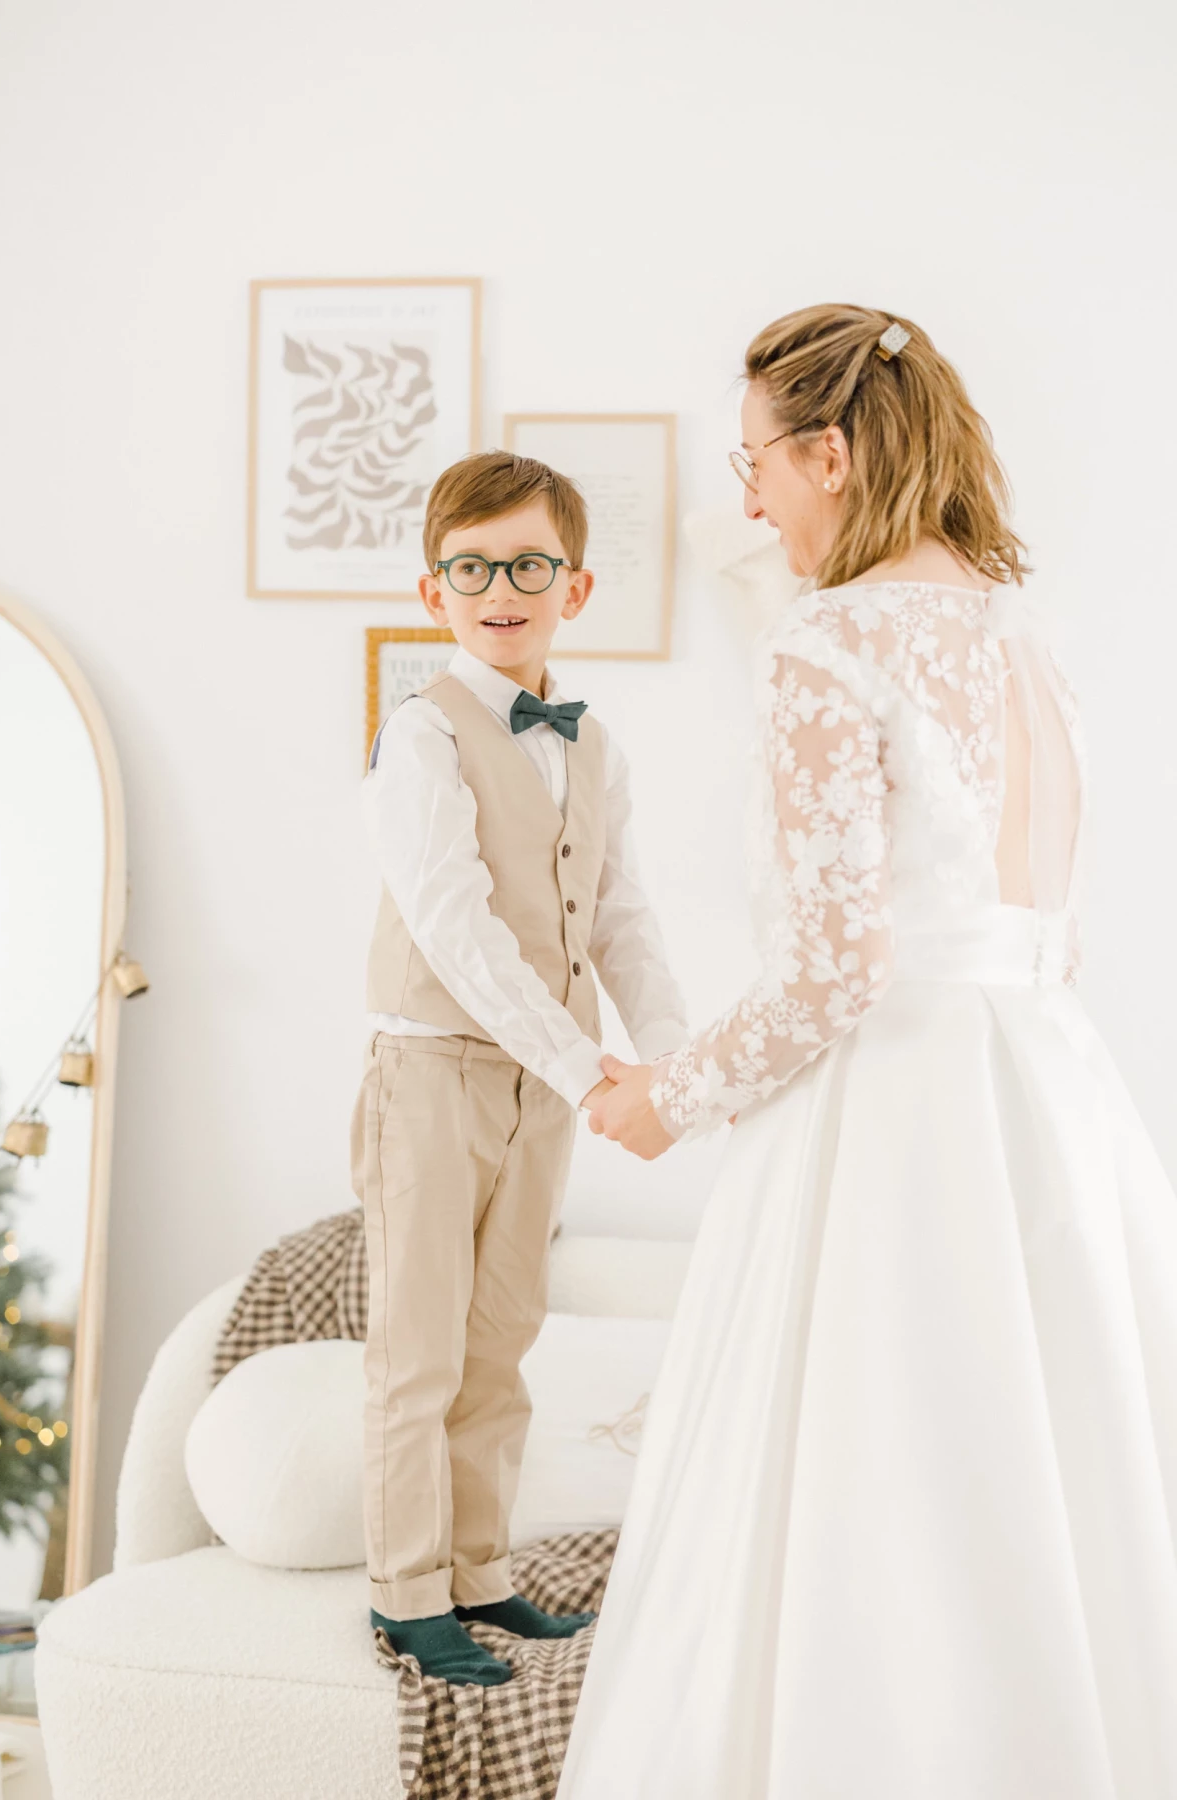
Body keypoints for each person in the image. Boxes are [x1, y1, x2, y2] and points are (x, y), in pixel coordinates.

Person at [561, 305, 1177, 1797]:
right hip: (1051, 1103)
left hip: (894, 1128)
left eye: (759, 460)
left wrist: (668, 1098)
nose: (750, 498)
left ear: (829, 453)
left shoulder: (832, 643)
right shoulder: (1024, 635)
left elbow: (839, 970)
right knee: (1043, 1497)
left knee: (864, 1513)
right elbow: (1051, 927)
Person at [352, 449, 687, 1687]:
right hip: (434, 1071)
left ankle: (479, 1573)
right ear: (433, 588)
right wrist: (585, 1064)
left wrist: (677, 1064)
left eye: (530, 564)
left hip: (546, 1083)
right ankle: (402, 1593)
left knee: (502, 1334)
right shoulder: (421, 734)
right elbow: (455, 922)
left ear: (576, 587)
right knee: (421, 1348)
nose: (503, 586)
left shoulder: (594, 744)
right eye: (474, 566)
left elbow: (621, 918)